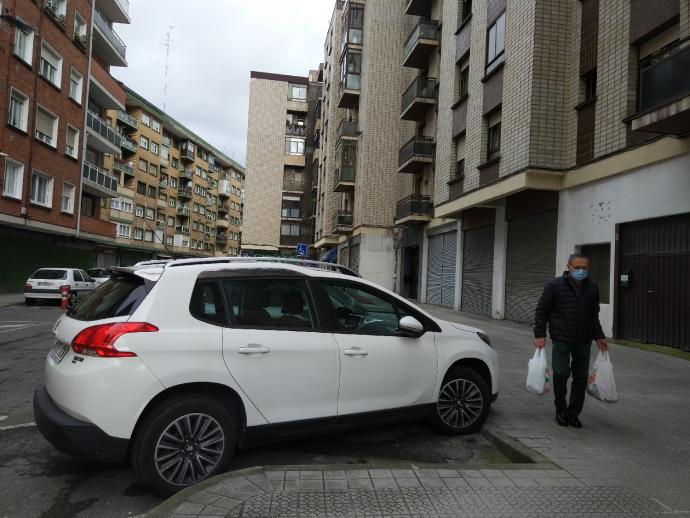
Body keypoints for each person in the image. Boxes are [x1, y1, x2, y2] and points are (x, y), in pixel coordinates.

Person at [534, 253, 607, 428]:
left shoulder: (593, 288)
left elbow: (593, 316)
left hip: (583, 339)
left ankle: (574, 413)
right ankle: (560, 410)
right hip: (561, 339)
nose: (581, 271)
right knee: (560, 375)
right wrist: (540, 334)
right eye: (577, 267)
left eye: (584, 268)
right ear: (569, 267)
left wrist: (599, 336)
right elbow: (541, 311)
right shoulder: (554, 286)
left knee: (581, 377)